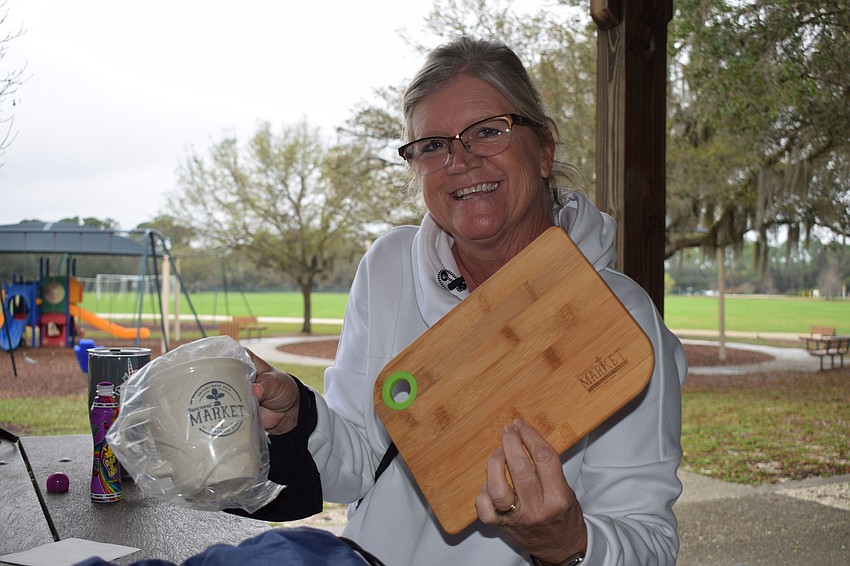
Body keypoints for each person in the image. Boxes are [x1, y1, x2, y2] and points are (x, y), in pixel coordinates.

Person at [246, 37, 687, 565]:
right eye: (433, 145)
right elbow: (359, 463)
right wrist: (297, 415)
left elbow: (649, 542)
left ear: (544, 149)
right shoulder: (389, 267)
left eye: (488, 131)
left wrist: (568, 545)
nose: (460, 160)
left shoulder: (619, 316)